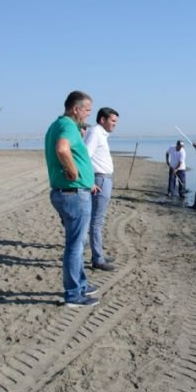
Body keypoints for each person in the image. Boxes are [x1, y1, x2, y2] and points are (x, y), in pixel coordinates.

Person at [44, 90, 99, 307]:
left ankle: (81, 284)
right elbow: (62, 149)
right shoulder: (67, 125)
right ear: (76, 108)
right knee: (75, 245)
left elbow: (69, 151)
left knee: (77, 243)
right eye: (87, 110)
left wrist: (86, 179)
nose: (88, 115)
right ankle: (74, 294)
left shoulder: (59, 125)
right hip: (72, 195)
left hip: (70, 192)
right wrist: (75, 173)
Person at [84, 107, 119, 271]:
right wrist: (90, 181)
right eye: (112, 121)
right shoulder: (96, 132)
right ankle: (97, 259)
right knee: (96, 221)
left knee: (95, 221)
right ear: (102, 119)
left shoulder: (101, 134)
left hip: (103, 179)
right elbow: (85, 156)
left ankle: (97, 254)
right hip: (99, 179)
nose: (114, 124)